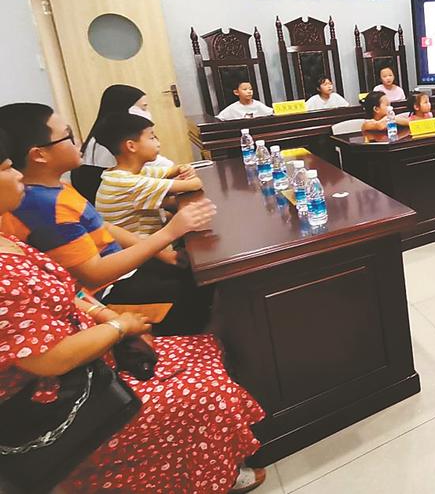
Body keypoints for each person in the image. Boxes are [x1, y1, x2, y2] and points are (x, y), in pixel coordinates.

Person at [0, 127, 268, 494]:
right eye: (6, 168)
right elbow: (48, 360)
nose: (16, 174)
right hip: (58, 402)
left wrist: (108, 319)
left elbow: (71, 289)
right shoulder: (32, 219)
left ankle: (219, 457)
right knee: (205, 380)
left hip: (92, 347)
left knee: (208, 347)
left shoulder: (12, 232)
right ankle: (204, 474)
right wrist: (120, 326)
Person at [0, 103, 216, 336]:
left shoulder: (55, 188)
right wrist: (170, 232)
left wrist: (163, 253)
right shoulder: (42, 207)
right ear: (39, 154)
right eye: (69, 136)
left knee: (197, 269)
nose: (79, 141)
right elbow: (95, 274)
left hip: (122, 270)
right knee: (200, 288)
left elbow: (103, 226)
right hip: (106, 293)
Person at [94, 114, 204, 237]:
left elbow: (173, 170)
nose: (158, 143)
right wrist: (188, 176)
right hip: (145, 247)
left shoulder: (126, 174)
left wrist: (184, 169)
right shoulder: (127, 183)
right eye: (152, 138)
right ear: (131, 146)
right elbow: (195, 184)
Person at [81, 84, 173, 169]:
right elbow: (163, 167)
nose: (147, 113)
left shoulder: (97, 137)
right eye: (143, 108)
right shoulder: (120, 141)